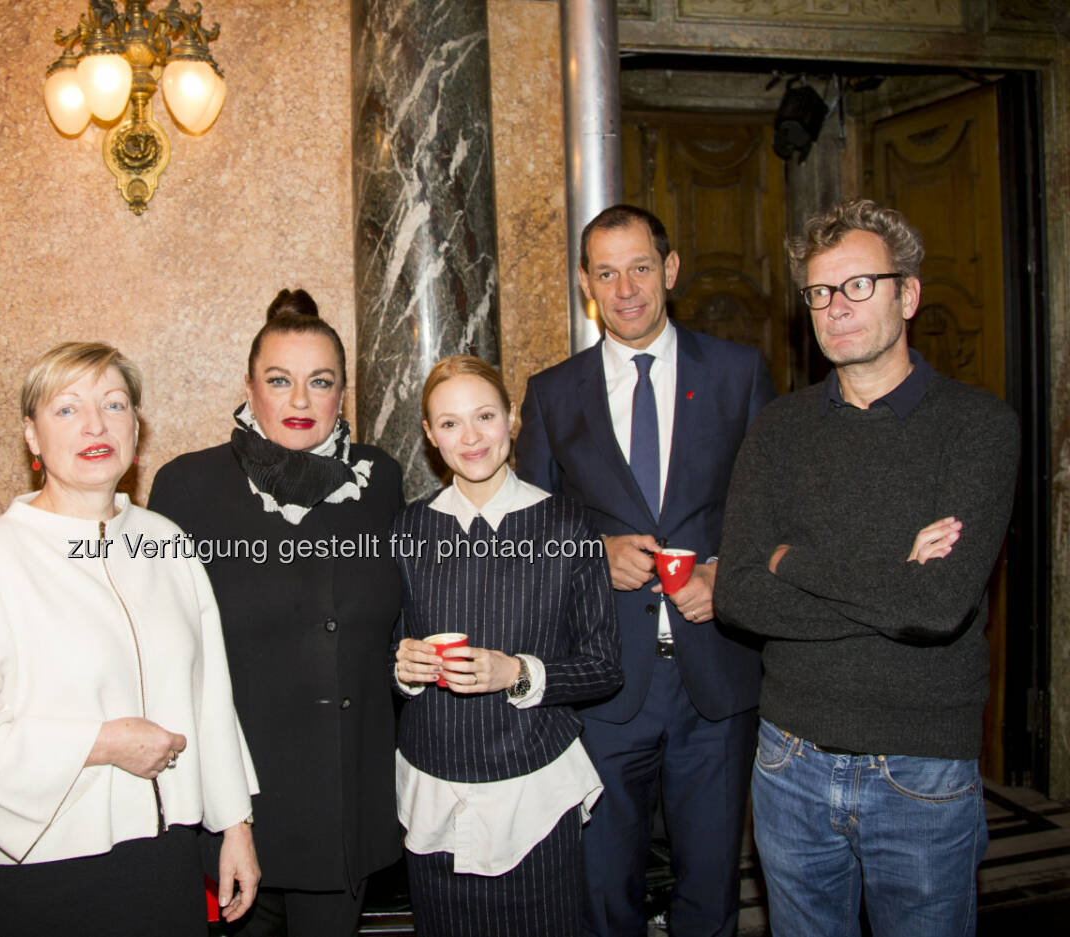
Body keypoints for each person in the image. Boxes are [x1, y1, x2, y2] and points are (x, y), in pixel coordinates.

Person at [715, 199, 1019, 937]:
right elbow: (739, 594)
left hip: (920, 770)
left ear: (907, 294)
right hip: (789, 761)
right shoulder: (780, 427)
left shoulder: (978, 427)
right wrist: (895, 572)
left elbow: (939, 606)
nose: (835, 308)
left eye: (858, 286)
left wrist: (797, 561)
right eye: (820, 292)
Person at [0, 341, 260, 937]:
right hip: (50, 862)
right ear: (31, 435)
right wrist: (98, 744)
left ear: (136, 425)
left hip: (167, 858)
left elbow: (212, 698)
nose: (96, 425)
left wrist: (235, 826)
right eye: (67, 410)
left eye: (115, 404)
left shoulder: (165, 542)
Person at [515, 204, 776, 937]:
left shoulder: (737, 372)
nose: (625, 287)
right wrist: (590, 556)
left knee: (711, 890)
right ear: (584, 283)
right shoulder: (553, 392)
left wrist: (729, 574)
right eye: (606, 272)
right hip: (604, 685)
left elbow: (776, 509)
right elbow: (531, 532)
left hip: (716, 682)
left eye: (639, 267)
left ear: (671, 268)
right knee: (603, 892)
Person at [147, 289, 402, 937]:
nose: (298, 400)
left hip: (344, 802)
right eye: (279, 380)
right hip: (239, 803)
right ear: (249, 387)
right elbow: (168, 652)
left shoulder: (381, 479)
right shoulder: (189, 485)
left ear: (343, 392)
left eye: (320, 382)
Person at [392, 355, 623, 936]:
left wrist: (516, 672)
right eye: (449, 424)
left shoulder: (569, 527)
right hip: (434, 786)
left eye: (484, 416)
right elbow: (385, 648)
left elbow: (603, 668)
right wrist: (403, 667)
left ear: (512, 419)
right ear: (428, 435)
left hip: (534, 792)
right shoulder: (407, 530)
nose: (469, 438)